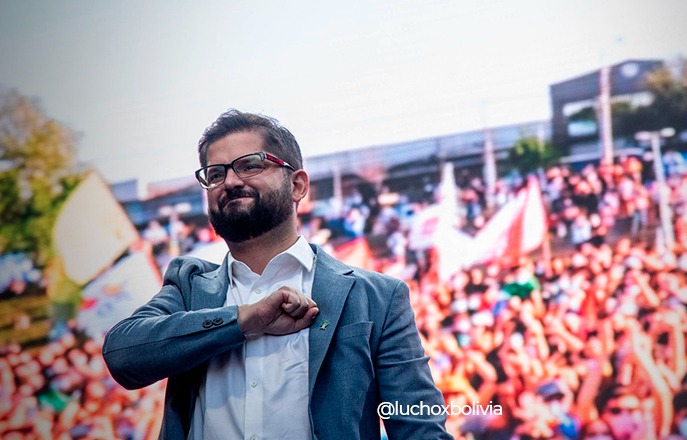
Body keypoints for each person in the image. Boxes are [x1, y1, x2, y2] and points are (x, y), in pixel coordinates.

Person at [102, 110, 451, 440]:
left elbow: (419, 427)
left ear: (298, 185)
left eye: (250, 165)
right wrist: (244, 320)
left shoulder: (376, 297)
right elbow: (123, 355)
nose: (231, 181)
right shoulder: (189, 286)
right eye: (215, 174)